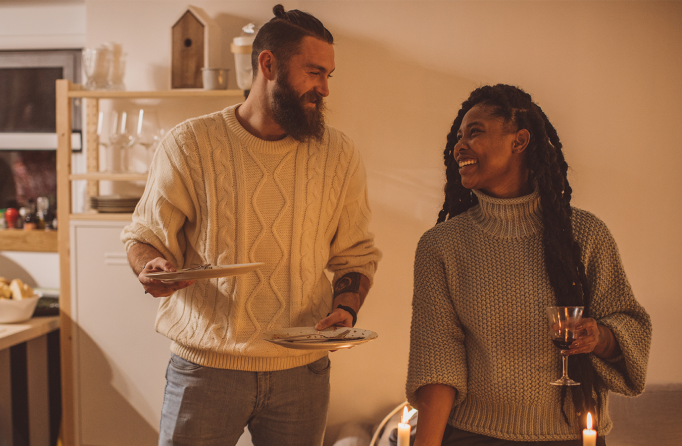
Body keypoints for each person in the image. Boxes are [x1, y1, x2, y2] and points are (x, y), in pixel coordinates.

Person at [121, 5, 381, 446]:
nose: (324, 89)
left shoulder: (339, 154)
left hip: (302, 371)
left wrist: (347, 308)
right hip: (204, 371)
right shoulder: (190, 143)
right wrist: (151, 267)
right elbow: (143, 237)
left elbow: (356, 256)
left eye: (328, 76)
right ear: (268, 64)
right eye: (314, 72)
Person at [406, 84, 651, 446]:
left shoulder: (585, 234)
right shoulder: (441, 246)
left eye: (475, 133)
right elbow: (438, 364)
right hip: (474, 436)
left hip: (571, 435)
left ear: (519, 142)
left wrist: (599, 336)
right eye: (459, 137)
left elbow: (632, 327)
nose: (459, 147)